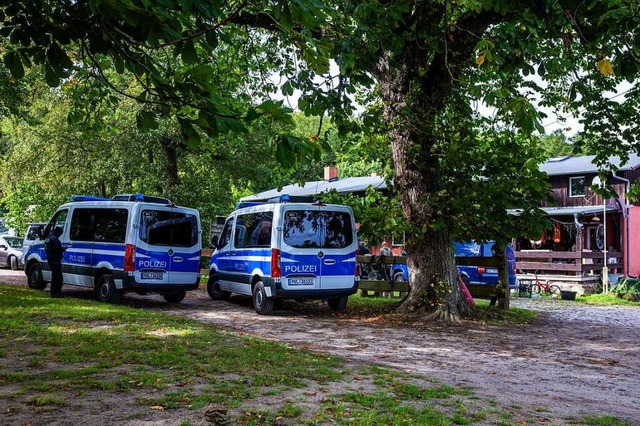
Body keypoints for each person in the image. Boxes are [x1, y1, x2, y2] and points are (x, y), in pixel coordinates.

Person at [45, 226, 65, 298]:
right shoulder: (55, 239)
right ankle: (56, 293)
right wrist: (63, 249)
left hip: (50, 259)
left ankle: (54, 293)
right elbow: (57, 249)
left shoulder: (48, 238)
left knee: (54, 277)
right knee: (57, 278)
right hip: (55, 260)